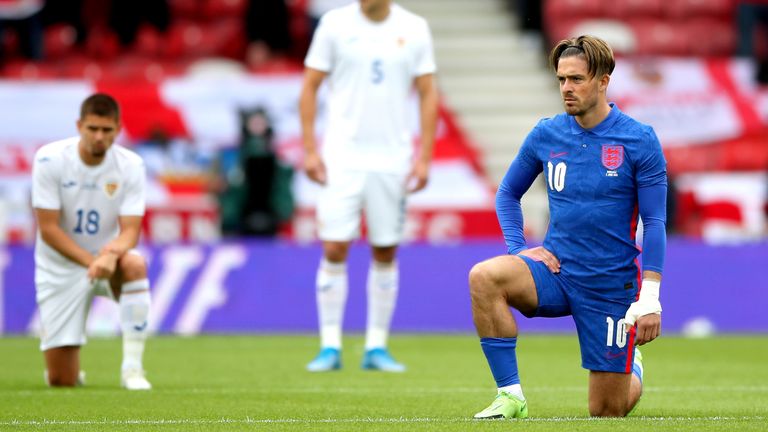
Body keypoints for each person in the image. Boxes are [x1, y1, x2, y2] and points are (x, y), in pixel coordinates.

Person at [469, 35, 667, 418]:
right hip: (555, 271)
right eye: (561, 79)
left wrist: (650, 297)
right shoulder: (547, 133)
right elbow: (507, 193)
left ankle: (632, 365)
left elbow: (655, 220)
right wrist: (518, 249)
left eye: (576, 79)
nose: (566, 88)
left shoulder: (639, 140)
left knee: (607, 412)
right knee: (484, 276)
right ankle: (510, 396)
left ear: (603, 81)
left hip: (610, 284)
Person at [298, 0, 438, 372]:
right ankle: (330, 345)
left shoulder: (414, 28)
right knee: (334, 244)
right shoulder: (333, 24)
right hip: (341, 156)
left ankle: (376, 345)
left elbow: (427, 92)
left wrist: (423, 155)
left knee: (385, 249)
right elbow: (310, 86)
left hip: (392, 157)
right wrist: (310, 149)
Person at [31, 93, 152, 390]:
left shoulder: (131, 165)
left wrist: (110, 254)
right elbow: (48, 229)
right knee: (62, 381)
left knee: (135, 264)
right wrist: (93, 261)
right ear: (79, 125)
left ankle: (132, 369)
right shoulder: (49, 159)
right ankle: (63, 366)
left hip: (107, 260)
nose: (99, 137)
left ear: (118, 129)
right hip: (59, 267)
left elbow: (130, 230)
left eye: (107, 130)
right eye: (92, 129)